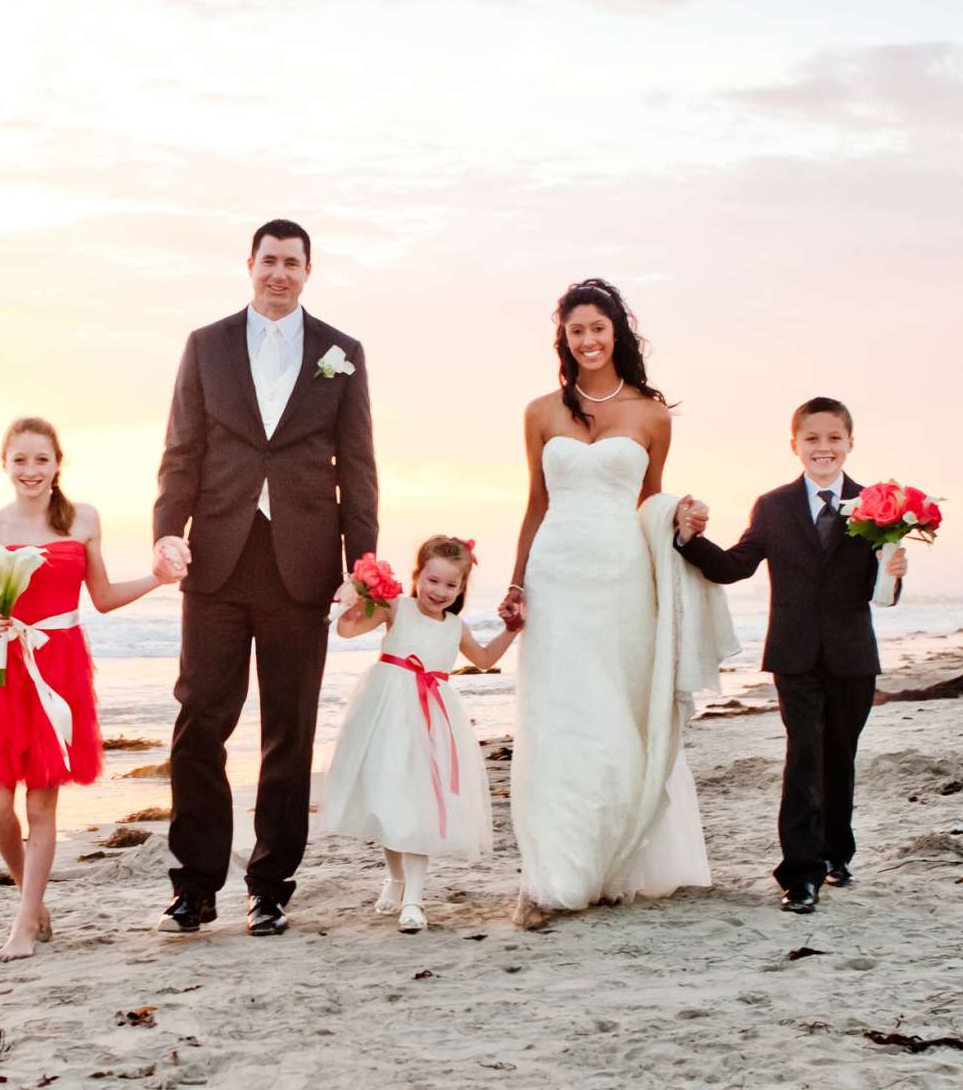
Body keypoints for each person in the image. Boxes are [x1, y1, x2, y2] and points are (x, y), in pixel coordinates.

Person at [152, 219, 379, 936]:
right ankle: (194, 887)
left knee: (290, 729)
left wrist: (360, 566)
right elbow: (181, 450)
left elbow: (358, 466)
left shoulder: (342, 353)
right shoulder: (206, 345)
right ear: (249, 264)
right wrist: (167, 528)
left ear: (309, 271)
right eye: (270, 260)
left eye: (293, 263)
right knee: (199, 723)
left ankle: (271, 886)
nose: (280, 272)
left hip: (302, 565)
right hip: (217, 559)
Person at [497, 279, 737, 930]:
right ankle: (552, 873)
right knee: (557, 718)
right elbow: (536, 503)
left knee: (614, 712)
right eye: (576, 330)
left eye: (598, 328)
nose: (588, 340)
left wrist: (681, 513)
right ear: (564, 339)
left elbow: (648, 502)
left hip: (622, 578)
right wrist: (517, 582)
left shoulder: (652, 416)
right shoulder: (542, 411)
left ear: (617, 333)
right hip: (557, 577)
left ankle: (611, 861)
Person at [673, 396, 908, 916]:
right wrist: (690, 540)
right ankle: (800, 875)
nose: (823, 448)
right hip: (794, 652)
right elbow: (735, 566)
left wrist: (894, 572)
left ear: (850, 443)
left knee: (839, 754)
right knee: (804, 755)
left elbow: (882, 594)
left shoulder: (879, 504)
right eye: (812, 439)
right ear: (794, 445)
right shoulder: (773, 506)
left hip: (853, 653)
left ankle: (835, 853)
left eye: (833, 438)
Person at [0, 416, 176, 961]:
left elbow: (102, 597)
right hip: (8, 669)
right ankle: (33, 904)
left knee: (40, 806)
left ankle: (22, 926)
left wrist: (158, 577)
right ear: (5, 465)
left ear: (58, 463)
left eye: (41, 459)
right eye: (21, 460)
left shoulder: (82, 519)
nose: (31, 470)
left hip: (60, 669)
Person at [320, 537, 513, 933]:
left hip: (433, 721)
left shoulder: (456, 626)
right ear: (416, 576)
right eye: (432, 580)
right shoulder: (397, 607)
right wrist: (358, 593)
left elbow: (485, 659)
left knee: (419, 803)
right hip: (386, 712)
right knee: (391, 800)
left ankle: (414, 899)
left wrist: (513, 629)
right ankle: (395, 879)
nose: (439, 591)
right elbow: (346, 630)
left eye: (450, 585)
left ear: (461, 589)